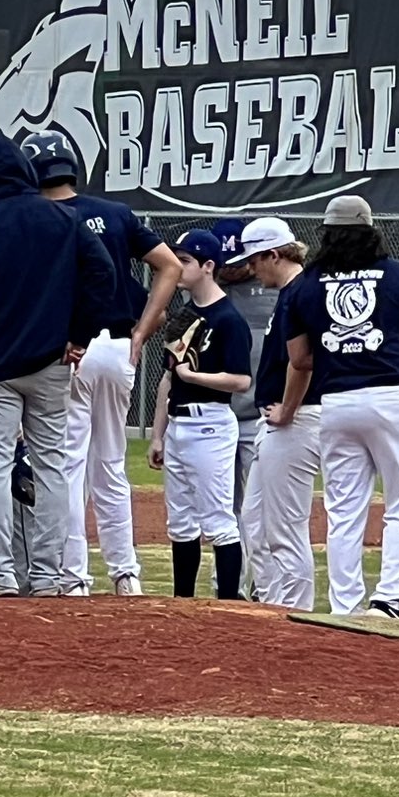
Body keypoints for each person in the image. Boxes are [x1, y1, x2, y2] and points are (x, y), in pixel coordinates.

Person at [0, 133, 115, 598]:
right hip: (51, 361)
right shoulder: (63, 217)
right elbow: (104, 274)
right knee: (52, 465)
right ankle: (48, 575)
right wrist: (79, 333)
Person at [19, 131, 180, 596]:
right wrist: (142, 331)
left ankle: (73, 577)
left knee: (67, 466)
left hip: (66, 351)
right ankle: (125, 573)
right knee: (109, 463)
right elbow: (169, 267)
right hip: (116, 349)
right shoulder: (114, 213)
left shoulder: (33, 219)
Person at [277, 195, 399, 619]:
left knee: (344, 509)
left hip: (335, 400)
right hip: (391, 392)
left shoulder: (305, 284)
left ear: (326, 234)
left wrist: (341, 355)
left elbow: (299, 358)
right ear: (371, 231)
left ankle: (344, 606)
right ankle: (388, 601)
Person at [147, 230, 253, 598]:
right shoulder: (183, 316)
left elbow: (240, 380)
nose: (177, 267)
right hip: (178, 422)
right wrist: (158, 433)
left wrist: (194, 376)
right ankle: (183, 602)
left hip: (210, 421)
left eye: (185, 261)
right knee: (180, 521)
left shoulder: (228, 319)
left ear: (208, 266)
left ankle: (227, 604)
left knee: (219, 520)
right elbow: (166, 378)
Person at [233, 218, 321, 611]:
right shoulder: (288, 294)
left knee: (284, 525)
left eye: (255, 261)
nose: (251, 270)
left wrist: (288, 408)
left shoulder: (299, 292)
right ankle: (270, 601)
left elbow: (304, 362)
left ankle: (294, 609)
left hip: (298, 419)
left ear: (274, 254)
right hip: (281, 420)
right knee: (254, 521)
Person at [213, 219, 278, 587]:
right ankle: (227, 585)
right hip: (220, 413)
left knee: (261, 507)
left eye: (238, 260)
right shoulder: (208, 290)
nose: (232, 268)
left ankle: (263, 584)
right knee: (225, 509)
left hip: (261, 414)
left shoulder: (272, 288)